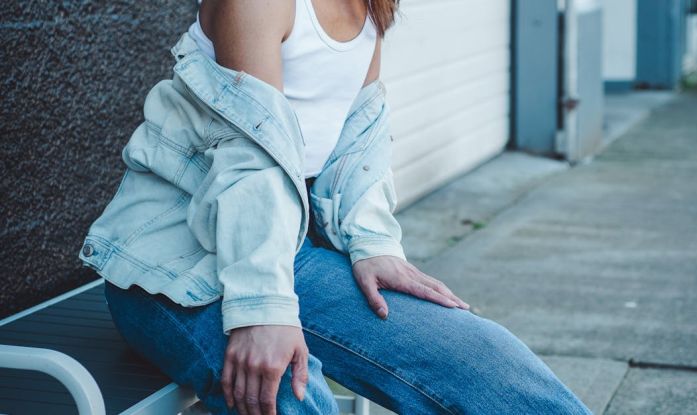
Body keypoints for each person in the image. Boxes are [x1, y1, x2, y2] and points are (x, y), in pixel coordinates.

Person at [82, 0, 592, 413]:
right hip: (166, 272)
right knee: (291, 394)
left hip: (281, 253)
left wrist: (373, 245)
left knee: (483, 360)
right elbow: (252, 157)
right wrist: (263, 310)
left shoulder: (372, 6)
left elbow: (359, 138)